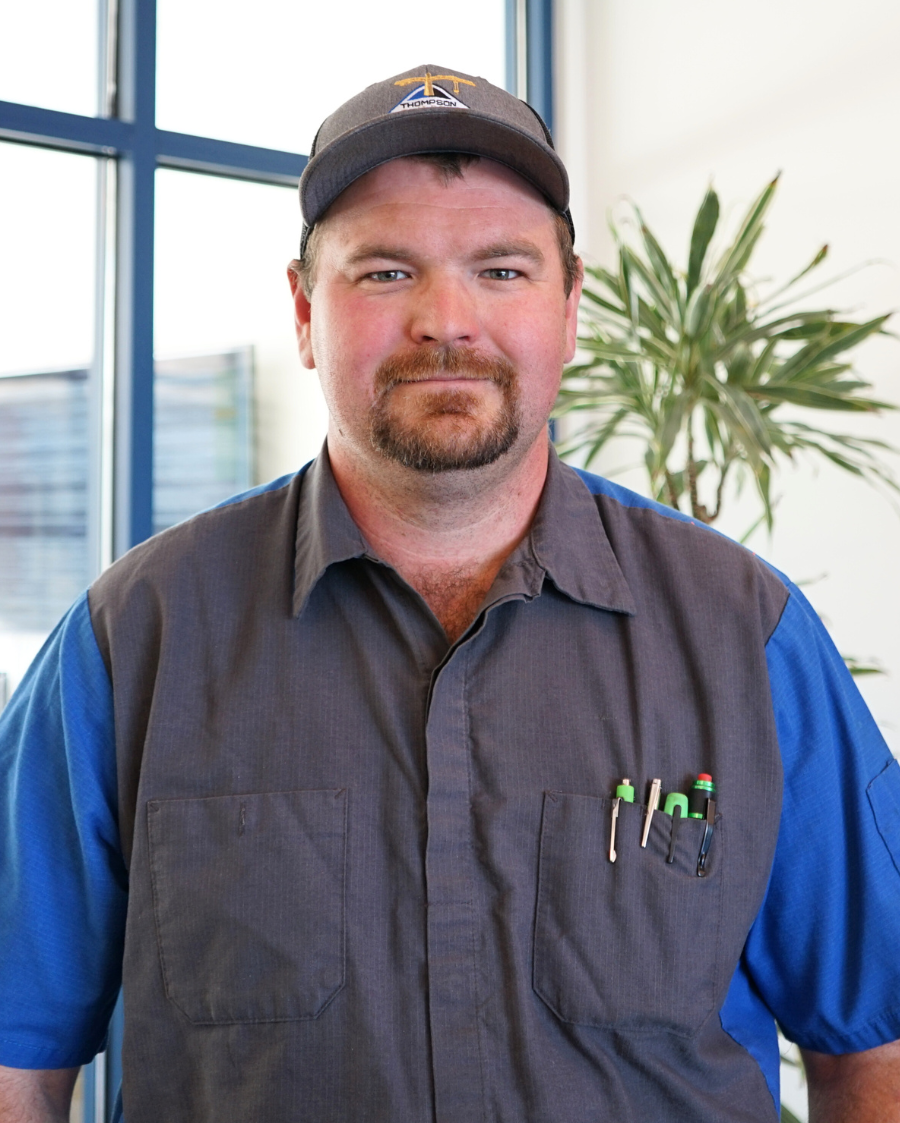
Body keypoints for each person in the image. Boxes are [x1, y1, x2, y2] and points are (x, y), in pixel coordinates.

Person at [1, 64, 900, 1123]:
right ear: (305, 312)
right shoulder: (131, 642)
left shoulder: (745, 634)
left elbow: (875, 1053)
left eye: (502, 269)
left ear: (570, 306)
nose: (446, 320)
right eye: (386, 272)